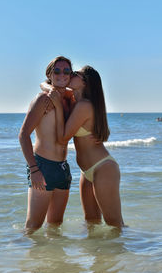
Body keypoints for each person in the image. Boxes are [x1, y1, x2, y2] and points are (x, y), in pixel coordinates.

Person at [48, 66, 124, 229]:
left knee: (115, 225)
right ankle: (99, 255)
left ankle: (136, 251)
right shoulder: (74, 100)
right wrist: (54, 94)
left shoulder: (84, 105)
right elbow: (45, 84)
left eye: (75, 74)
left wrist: (58, 105)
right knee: (91, 223)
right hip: (86, 171)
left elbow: (63, 138)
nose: (70, 75)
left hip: (103, 168)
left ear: (85, 82)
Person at [19, 56, 74, 234]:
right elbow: (23, 135)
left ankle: (53, 262)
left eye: (66, 71)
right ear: (50, 74)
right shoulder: (42, 100)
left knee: (55, 226)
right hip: (43, 166)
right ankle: (24, 258)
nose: (62, 74)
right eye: (57, 71)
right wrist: (34, 169)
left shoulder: (69, 101)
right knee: (33, 227)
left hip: (63, 169)